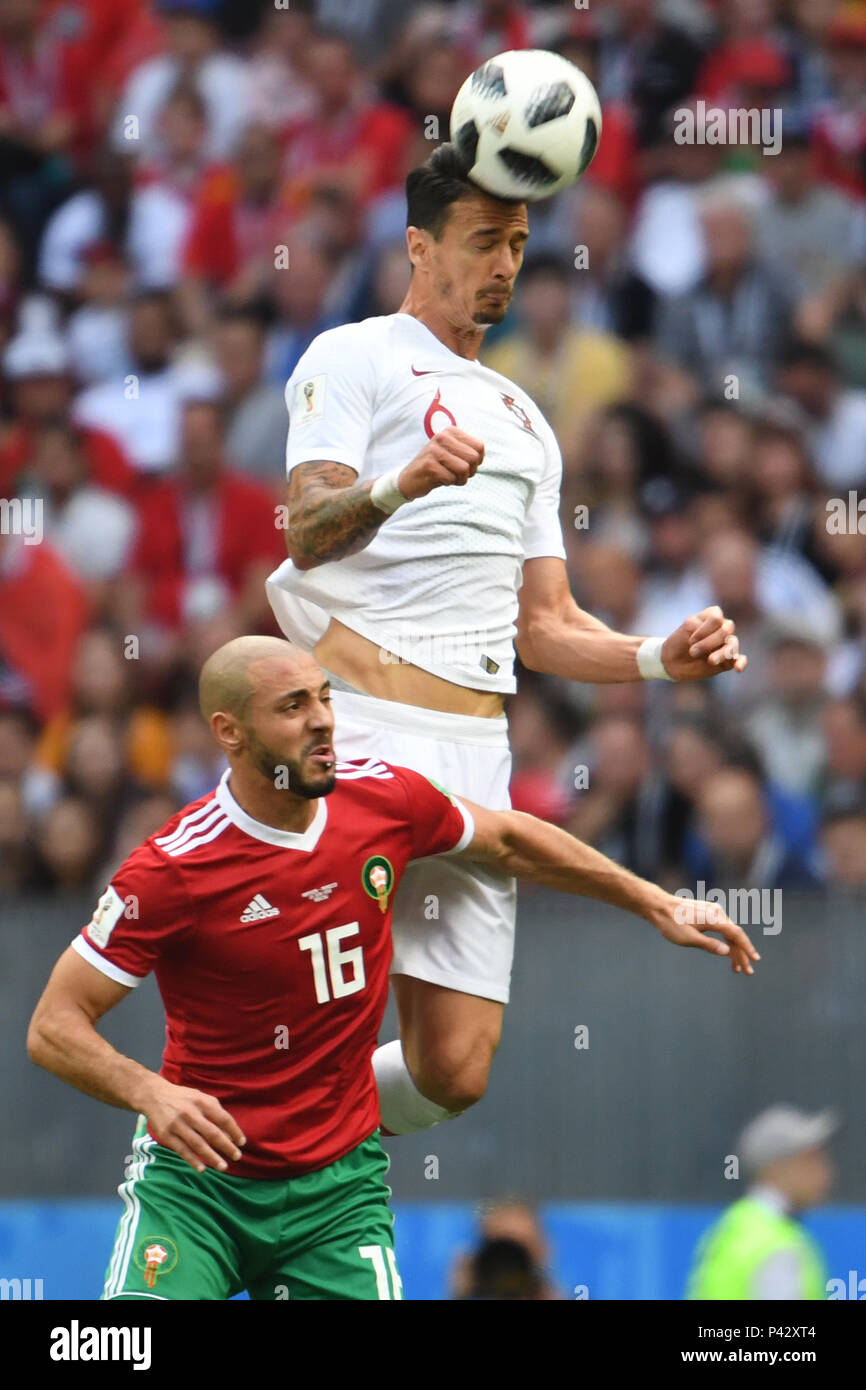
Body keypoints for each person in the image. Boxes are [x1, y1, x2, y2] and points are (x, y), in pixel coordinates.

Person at [27, 637, 758, 1301]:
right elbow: (54, 1025)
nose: (321, 721)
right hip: (199, 1188)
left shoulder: (380, 799)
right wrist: (151, 1093)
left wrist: (653, 901)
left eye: (324, 697)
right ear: (230, 733)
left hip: (335, 1194)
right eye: (292, 707)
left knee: (459, 1068)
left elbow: (507, 840)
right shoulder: (173, 869)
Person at [266, 142, 750, 1139]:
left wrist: (663, 658)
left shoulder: (527, 421)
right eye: (482, 239)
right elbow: (306, 533)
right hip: (361, 732)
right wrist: (405, 482)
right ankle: (249, 1148)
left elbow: (547, 626)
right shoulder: (352, 356)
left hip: (475, 755)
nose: (503, 263)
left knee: (452, 1070)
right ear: (417, 244)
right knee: (320, 1017)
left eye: (518, 244)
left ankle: (271, 1124)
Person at [686, 1105, 836, 1300]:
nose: (825, 1171)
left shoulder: (733, 1226)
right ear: (777, 1167)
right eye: (810, 1159)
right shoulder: (776, 1245)